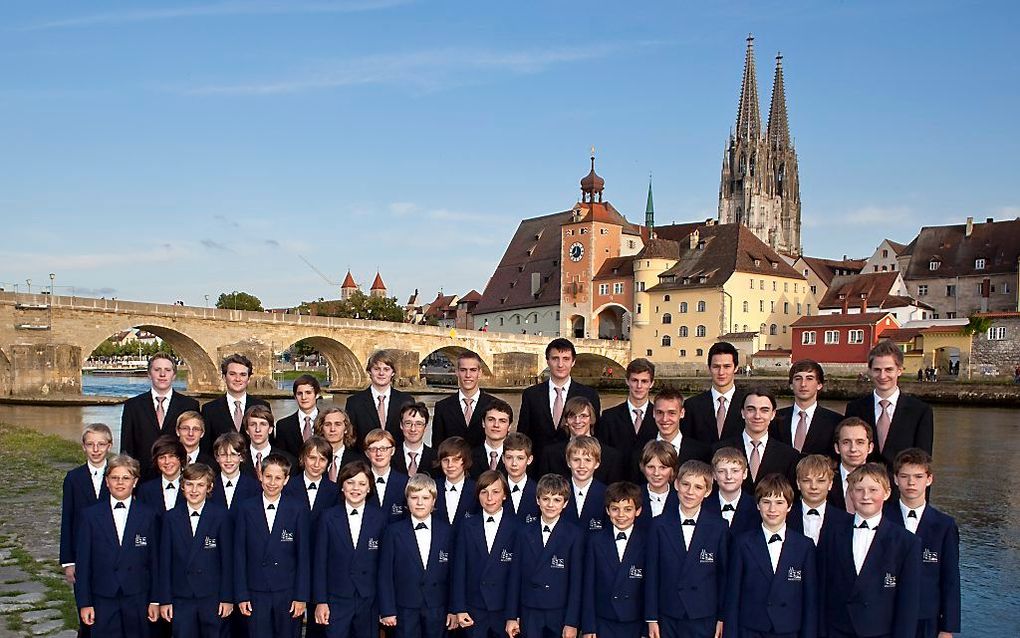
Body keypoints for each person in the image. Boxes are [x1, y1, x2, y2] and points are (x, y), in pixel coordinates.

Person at [818, 463, 921, 638]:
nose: (866, 496)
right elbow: (820, 587)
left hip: (880, 632)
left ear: (887, 493)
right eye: (858, 490)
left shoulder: (906, 542)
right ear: (850, 493)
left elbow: (908, 603)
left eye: (873, 490)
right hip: (836, 630)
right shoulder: (831, 532)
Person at [74, 455, 160, 637]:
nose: (120, 483)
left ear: (135, 482)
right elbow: (83, 564)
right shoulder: (90, 516)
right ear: (107, 482)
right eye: (115, 478)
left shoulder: (149, 515)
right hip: (103, 596)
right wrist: (84, 603)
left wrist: (155, 600)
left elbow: (155, 562)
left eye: (126, 478)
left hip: (138, 596)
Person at [724, 474, 817, 638]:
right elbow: (733, 596)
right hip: (751, 629)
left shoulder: (804, 546)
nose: (772, 509)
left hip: (788, 630)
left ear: (789, 507)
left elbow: (810, 600)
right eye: (766, 502)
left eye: (779, 503)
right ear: (758, 505)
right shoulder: (742, 543)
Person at [644, 460, 728, 638]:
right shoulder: (659, 525)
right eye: (686, 485)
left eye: (698, 487)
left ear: (708, 492)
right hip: (667, 613)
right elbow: (652, 573)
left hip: (704, 615)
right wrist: (651, 618)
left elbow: (724, 575)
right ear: (676, 484)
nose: (690, 492)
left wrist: (722, 616)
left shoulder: (719, 527)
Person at [886, 449, 961, 638]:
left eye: (918, 476)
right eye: (905, 476)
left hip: (927, 617)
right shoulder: (882, 518)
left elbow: (950, 578)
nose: (911, 482)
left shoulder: (945, 525)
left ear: (929, 479)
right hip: (886, 613)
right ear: (895, 479)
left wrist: (947, 628)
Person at [234, 453, 310, 638]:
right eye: (268, 476)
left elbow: (303, 555)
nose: (272, 482)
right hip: (255, 592)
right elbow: (239, 554)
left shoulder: (298, 508)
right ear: (260, 475)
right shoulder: (245, 508)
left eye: (278, 478)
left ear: (286, 480)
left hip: (288, 592)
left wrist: (301, 596)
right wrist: (242, 594)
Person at [312, 460, 388, 638]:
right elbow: (320, 562)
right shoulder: (327, 518)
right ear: (342, 486)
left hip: (369, 599)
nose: (356, 488)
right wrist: (321, 601)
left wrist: (383, 604)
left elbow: (384, 565)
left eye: (362, 484)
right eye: (350, 482)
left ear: (369, 488)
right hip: (336, 598)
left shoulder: (380, 518)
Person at [158, 462, 234, 637]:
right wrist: (165, 600)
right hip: (181, 597)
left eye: (200, 485)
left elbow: (228, 561)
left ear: (209, 487)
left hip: (212, 597)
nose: (194, 490)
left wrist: (227, 597)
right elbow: (165, 562)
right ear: (182, 487)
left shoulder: (221, 516)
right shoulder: (170, 518)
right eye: (189, 484)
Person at [378, 474, 458, 638]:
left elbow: (454, 575)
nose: (420, 503)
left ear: (434, 501)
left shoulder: (447, 531)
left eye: (425, 497)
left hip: (438, 608)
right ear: (407, 501)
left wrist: (454, 609)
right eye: (414, 497)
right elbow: (384, 574)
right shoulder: (393, 532)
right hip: (405, 607)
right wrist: (387, 610)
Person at [505, 474, 583, 638]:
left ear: (565, 503)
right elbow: (514, 576)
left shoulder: (574, 534)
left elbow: (576, 582)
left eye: (556, 500)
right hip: (530, 609)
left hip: (559, 611)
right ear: (537, 500)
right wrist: (512, 616)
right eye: (546, 499)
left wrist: (572, 622)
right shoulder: (524, 532)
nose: (550, 505)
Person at [451, 471, 521, 638]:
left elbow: (518, 575)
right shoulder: (467, 526)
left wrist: (513, 614)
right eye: (484, 492)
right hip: (473, 608)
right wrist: (459, 608)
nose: (490, 498)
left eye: (495, 492)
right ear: (478, 496)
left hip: (503, 609)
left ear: (505, 495)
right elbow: (459, 569)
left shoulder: (518, 528)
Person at [844, 341, 934, 469]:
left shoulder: (920, 411)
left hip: (902, 487)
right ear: (869, 371)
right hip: (863, 486)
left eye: (888, 370)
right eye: (877, 370)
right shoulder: (855, 408)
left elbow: (924, 462)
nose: (882, 376)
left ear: (900, 370)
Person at [517, 338, 601, 462]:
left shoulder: (589, 395)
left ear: (573, 362)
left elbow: (596, 433)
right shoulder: (531, 395)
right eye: (555, 358)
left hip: (577, 467)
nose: (560, 364)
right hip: (539, 468)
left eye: (566, 359)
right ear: (548, 361)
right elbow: (523, 436)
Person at [581, 482, 647, 638]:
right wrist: (589, 627)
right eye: (615, 509)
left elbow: (650, 587)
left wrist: (646, 628)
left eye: (628, 509)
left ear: (638, 511)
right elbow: (588, 585)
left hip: (635, 622)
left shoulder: (647, 541)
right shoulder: (595, 541)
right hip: (603, 620)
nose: (621, 515)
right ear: (607, 511)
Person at [121, 353, 199, 480]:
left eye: (167, 370)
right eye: (157, 370)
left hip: (179, 479)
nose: (162, 375)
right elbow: (127, 448)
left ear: (174, 375)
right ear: (149, 374)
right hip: (143, 479)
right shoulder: (133, 406)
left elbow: (194, 444)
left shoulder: (189, 405)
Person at [718, 388, 801, 493]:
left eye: (764, 410)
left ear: (773, 414)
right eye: (751, 409)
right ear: (743, 412)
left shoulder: (789, 455)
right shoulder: (720, 449)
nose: (757, 416)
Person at [60, 423, 112, 587]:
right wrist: (68, 561)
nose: (96, 450)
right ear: (83, 447)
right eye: (90, 444)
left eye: (101, 444)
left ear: (109, 446)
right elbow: (67, 518)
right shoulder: (73, 478)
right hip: (82, 549)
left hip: (112, 550)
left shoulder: (119, 475)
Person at [538, 397, 624, 484]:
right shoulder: (550, 454)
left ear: (591, 419)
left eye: (583, 416)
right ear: (566, 421)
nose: (577, 421)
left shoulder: (612, 456)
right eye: (572, 416)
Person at [770, 360, 843, 457]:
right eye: (798, 378)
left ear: (819, 385)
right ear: (791, 385)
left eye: (809, 378)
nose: (803, 384)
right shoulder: (774, 418)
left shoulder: (835, 421)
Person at [344, 350, 416, 447]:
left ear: (393, 373)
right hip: (364, 459)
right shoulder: (354, 402)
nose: (381, 373)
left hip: (397, 460)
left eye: (386, 369)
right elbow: (350, 438)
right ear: (369, 371)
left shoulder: (406, 401)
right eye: (377, 369)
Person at [201, 353, 270, 453]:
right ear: (224, 377)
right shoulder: (209, 409)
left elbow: (268, 444)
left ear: (249, 379)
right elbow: (206, 447)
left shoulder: (262, 406)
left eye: (243, 375)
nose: (238, 379)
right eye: (232, 374)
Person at [679, 342, 746, 445]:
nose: (721, 372)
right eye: (716, 366)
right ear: (709, 368)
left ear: (736, 368)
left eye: (727, 366)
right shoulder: (692, 406)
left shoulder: (748, 404)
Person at [597, 358, 658, 466]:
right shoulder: (608, 417)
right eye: (635, 380)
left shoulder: (660, 418)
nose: (639, 386)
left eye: (644, 381)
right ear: (627, 381)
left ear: (652, 383)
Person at [432, 350, 494, 448]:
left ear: (480, 373)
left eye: (473, 370)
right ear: (456, 372)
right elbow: (437, 447)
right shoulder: (442, 407)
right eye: (463, 370)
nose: (468, 375)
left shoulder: (494, 405)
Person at [788, 454, 851, 546]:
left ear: (830, 484)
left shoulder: (846, 520)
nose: (813, 487)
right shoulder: (785, 517)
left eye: (820, 481)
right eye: (806, 481)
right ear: (798, 483)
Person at [282, 436, 339, 532]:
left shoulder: (335, 491)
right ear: (303, 458)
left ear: (328, 463)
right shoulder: (287, 486)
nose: (316, 464)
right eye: (312, 458)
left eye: (322, 459)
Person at [645, 389, 712, 471]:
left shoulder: (701, 453)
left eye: (671, 413)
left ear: (682, 413)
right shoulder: (641, 451)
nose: (665, 419)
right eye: (660, 412)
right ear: (653, 413)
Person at [702, 447, 760, 538]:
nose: (729, 476)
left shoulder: (756, 507)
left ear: (744, 474)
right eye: (722, 471)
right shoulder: (703, 505)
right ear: (714, 475)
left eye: (735, 471)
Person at [561, 435, 609, 535]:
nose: (581, 465)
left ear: (597, 463)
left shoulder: (607, 494)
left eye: (588, 460)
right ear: (568, 462)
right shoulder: (558, 491)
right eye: (576, 460)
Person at [829, 417, 875, 513]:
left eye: (860, 442)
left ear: (870, 447)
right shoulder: (824, 480)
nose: (853, 449)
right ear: (837, 448)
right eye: (846, 442)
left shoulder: (885, 481)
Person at [433, 436, 478, 531]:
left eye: (456, 460)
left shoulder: (477, 490)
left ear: (465, 461)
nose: (450, 465)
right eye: (445, 460)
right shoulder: (432, 488)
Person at [365, 428, 409, 523]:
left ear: (392, 451)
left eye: (384, 449)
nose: (379, 453)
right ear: (367, 453)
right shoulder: (360, 483)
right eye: (373, 449)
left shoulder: (405, 482)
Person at [240, 405, 296, 479]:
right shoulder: (236, 459)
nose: (257, 429)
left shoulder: (289, 461)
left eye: (263, 424)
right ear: (247, 430)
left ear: (270, 429)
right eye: (253, 424)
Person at [273, 374, 322, 458]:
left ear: (317, 394)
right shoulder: (283, 426)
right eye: (299, 393)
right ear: (295, 396)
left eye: (308, 393)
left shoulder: (328, 422)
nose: (304, 397)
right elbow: (282, 459)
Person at [137, 435, 186, 517]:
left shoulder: (192, 487)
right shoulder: (145, 490)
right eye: (162, 457)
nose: (167, 462)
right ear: (156, 461)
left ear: (180, 459)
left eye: (172, 456)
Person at [210, 431, 260, 512]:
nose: (228, 460)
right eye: (223, 455)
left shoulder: (254, 487)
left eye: (233, 454)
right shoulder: (209, 486)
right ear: (217, 457)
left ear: (241, 457)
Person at [636, 441, 679, 528]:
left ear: (672, 470)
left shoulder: (681, 498)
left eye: (663, 467)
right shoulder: (633, 496)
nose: (656, 473)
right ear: (643, 467)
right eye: (651, 467)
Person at [316, 406, 365, 482]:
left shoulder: (359, 461)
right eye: (327, 424)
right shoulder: (313, 459)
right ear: (321, 429)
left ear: (346, 429)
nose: (332, 429)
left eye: (338, 424)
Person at [470, 398, 513, 479]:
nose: (496, 425)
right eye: (491, 419)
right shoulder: (469, 457)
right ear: (483, 423)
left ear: (509, 426)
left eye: (502, 421)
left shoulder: (517, 458)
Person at [502, 432, 539, 523]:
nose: (514, 463)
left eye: (520, 458)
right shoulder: (496, 490)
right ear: (503, 459)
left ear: (529, 460)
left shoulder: (538, 491)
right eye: (509, 457)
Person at [393, 403, 436, 476]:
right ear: (401, 425)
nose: (413, 429)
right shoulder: (390, 456)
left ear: (425, 427)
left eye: (418, 424)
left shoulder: (436, 458)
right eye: (408, 423)